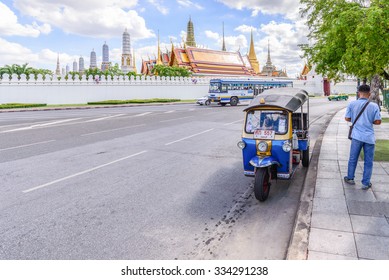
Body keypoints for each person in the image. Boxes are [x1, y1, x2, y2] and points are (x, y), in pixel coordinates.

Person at [344, 84, 381, 190]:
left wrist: (357, 120)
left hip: (356, 136)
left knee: (353, 158)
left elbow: (347, 118)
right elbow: (378, 121)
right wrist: (368, 120)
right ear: (369, 94)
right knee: (368, 161)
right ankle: (366, 183)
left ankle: (350, 178)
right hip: (369, 137)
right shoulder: (374, 106)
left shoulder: (352, 104)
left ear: (359, 93)